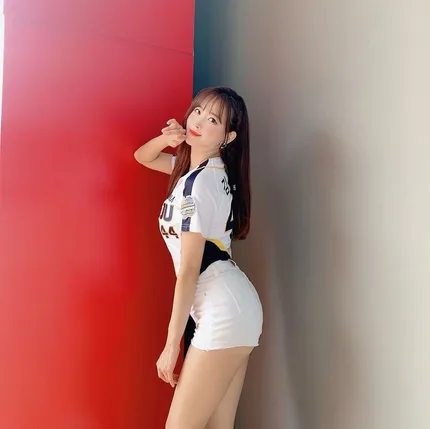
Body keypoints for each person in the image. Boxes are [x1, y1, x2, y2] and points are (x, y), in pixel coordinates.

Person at [134, 86, 263, 429]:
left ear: (228, 137)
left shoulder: (199, 184)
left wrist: (171, 346)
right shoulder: (198, 173)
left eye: (213, 120)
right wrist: (167, 139)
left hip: (223, 310)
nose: (199, 122)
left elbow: (189, 270)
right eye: (198, 111)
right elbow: (143, 157)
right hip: (234, 307)